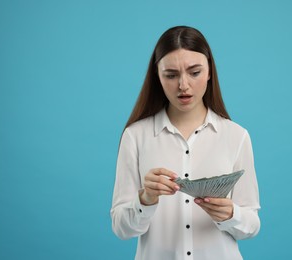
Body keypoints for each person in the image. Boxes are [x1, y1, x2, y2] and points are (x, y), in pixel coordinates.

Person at [110, 25, 261, 260]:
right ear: (157, 76)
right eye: (171, 75)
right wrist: (145, 200)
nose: (183, 85)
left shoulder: (236, 136)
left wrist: (231, 214)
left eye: (194, 72)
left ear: (210, 71)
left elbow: (251, 226)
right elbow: (121, 228)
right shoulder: (135, 136)